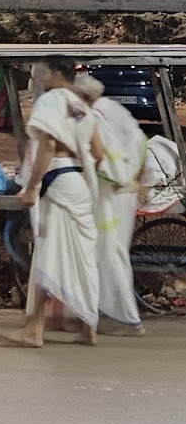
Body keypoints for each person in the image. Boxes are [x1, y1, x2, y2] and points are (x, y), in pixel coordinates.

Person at [10, 56, 103, 348]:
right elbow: (98, 154)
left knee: (50, 255)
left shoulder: (51, 102)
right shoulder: (82, 109)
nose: (41, 77)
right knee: (82, 258)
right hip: (79, 184)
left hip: (58, 181)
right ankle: (89, 328)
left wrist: (33, 186)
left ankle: (35, 330)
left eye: (44, 72)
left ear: (55, 73)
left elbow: (47, 146)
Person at [71, 72, 146, 334]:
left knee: (108, 253)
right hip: (122, 190)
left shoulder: (96, 116)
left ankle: (127, 319)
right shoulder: (113, 109)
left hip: (111, 192)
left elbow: (100, 157)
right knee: (106, 252)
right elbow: (141, 144)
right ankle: (98, 314)